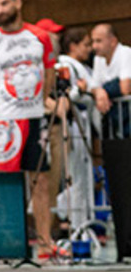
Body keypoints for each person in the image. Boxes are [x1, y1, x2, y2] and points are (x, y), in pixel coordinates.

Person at [0, 0, 63, 260]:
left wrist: (42, 99)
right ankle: (7, 241)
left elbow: (49, 71)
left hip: (35, 117)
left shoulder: (40, 38)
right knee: (7, 182)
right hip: (5, 120)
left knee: (40, 181)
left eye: (4, 4)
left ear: (17, 3)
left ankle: (45, 242)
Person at [55, 27, 95, 231]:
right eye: (86, 44)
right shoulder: (64, 65)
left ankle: (83, 222)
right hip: (73, 125)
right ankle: (71, 219)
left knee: (84, 175)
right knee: (76, 175)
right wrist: (80, 91)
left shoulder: (82, 66)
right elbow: (64, 96)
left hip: (86, 124)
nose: (90, 49)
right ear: (73, 46)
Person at [89, 23, 131, 135]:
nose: (94, 46)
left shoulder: (125, 52)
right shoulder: (98, 58)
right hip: (114, 117)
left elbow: (125, 88)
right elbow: (93, 86)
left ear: (113, 41)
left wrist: (103, 90)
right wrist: (99, 92)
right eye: (92, 41)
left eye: (99, 41)